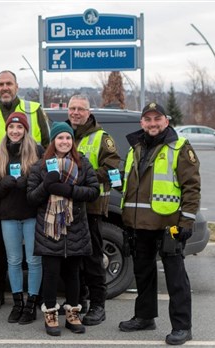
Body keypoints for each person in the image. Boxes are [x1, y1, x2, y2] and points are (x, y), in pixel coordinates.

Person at [118, 102, 200, 346]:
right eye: (148, 119)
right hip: (139, 224)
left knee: (176, 278)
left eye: (157, 119)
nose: (152, 124)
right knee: (143, 274)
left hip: (170, 226)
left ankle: (182, 327)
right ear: (142, 122)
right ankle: (144, 317)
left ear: (166, 120)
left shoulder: (180, 147)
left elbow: (192, 187)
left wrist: (186, 221)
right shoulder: (136, 148)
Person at [0, 70, 50, 310]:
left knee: (33, 256)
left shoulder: (34, 109)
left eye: (9, 83)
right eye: (1, 84)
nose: (5, 87)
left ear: (17, 86)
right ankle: (1, 293)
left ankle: (35, 297)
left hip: (31, 197)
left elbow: (49, 148)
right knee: (2, 252)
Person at [27, 122, 99, 336]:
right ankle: (50, 314)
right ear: (53, 141)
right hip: (49, 230)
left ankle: (72, 314)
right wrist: (46, 185)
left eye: (68, 138)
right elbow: (31, 198)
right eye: (60, 138)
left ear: (72, 141)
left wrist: (69, 190)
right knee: (50, 274)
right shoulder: (39, 166)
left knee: (73, 274)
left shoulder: (82, 164)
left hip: (75, 227)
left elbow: (93, 191)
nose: (64, 142)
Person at [65, 95, 121, 326]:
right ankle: (79, 302)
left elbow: (112, 168)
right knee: (73, 259)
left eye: (81, 109)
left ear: (89, 112)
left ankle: (99, 305)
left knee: (93, 259)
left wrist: (83, 175)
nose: (76, 112)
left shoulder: (102, 138)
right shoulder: (64, 134)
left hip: (92, 208)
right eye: (72, 108)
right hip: (67, 208)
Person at [0, 112, 44, 325]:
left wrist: (29, 181)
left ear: (25, 130)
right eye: (11, 128)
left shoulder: (37, 151)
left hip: (31, 214)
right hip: (9, 216)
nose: (15, 131)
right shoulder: (0, 153)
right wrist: (3, 185)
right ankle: (17, 303)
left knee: (33, 261)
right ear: (7, 130)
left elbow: (44, 182)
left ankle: (31, 303)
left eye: (19, 128)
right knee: (13, 261)